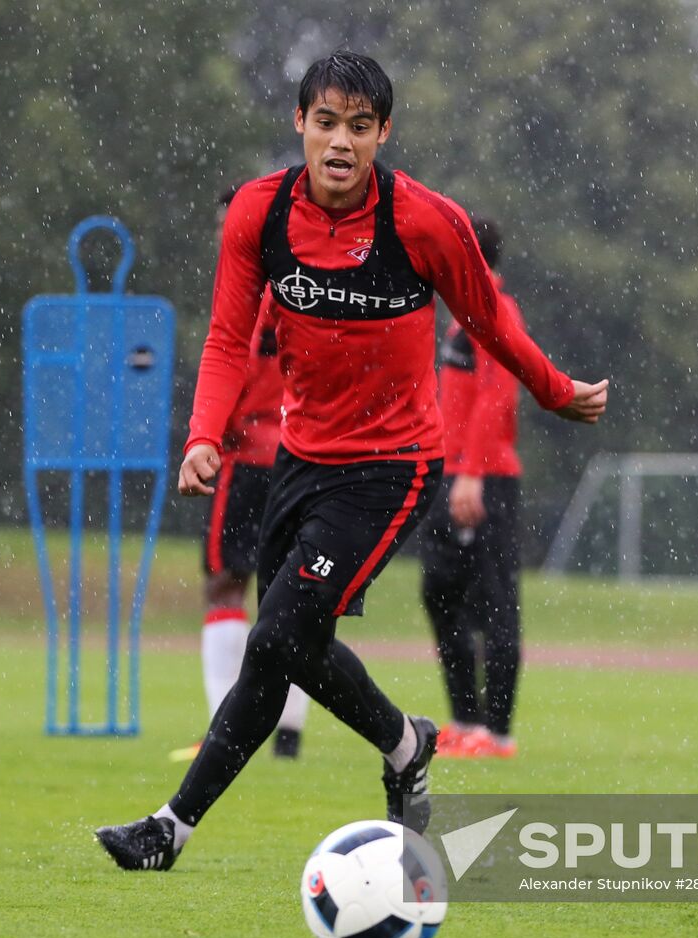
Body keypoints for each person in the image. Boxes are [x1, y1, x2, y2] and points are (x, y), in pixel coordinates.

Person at [96, 50, 607, 872]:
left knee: (278, 637)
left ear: (383, 134)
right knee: (284, 645)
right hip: (299, 460)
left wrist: (554, 392)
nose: (341, 142)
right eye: (326, 122)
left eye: (359, 127)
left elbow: (488, 322)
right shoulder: (257, 215)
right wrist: (202, 434)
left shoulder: (425, 222)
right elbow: (229, 336)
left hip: (393, 466)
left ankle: (173, 826)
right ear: (300, 124)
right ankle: (403, 745)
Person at [184, 189, 309, 762]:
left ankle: (221, 730)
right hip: (302, 455)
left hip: (248, 457)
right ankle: (288, 735)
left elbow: (231, 366)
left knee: (226, 583)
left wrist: (211, 433)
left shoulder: (246, 292)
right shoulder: (303, 286)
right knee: (292, 594)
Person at [419, 216, 525, 759]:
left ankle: (497, 733)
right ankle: (464, 719)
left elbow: (498, 397)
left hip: (485, 477)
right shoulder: (460, 320)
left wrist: (473, 473)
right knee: (441, 594)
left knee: (496, 600)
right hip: (448, 472)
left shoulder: (498, 313)